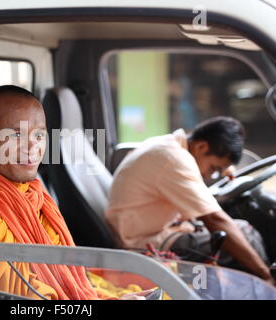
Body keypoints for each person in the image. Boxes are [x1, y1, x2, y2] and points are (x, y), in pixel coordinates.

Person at [0, 85, 149, 300]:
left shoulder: (33, 195)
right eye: (16, 134)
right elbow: (25, 300)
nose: (32, 146)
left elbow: (67, 279)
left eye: (39, 135)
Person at [106, 117, 274, 285]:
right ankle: (268, 286)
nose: (209, 175)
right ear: (202, 146)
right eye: (213, 168)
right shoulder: (173, 159)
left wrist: (224, 169)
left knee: (239, 235)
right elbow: (215, 219)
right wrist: (265, 273)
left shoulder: (168, 146)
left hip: (153, 230)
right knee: (246, 235)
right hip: (144, 243)